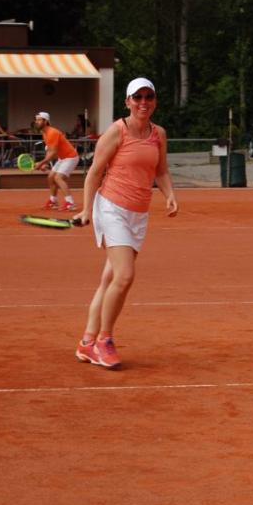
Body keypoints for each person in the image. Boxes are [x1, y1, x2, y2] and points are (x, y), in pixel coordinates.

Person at [73, 77, 178, 369]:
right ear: (127, 102)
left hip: (138, 215)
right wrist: (86, 210)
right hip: (111, 209)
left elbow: (161, 171)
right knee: (125, 276)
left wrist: (170, 195)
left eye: (149, 97)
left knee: (110, 280)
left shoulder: (159, 134)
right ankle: (103, 342)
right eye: (137, 97)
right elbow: (94, 173)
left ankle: (86, 342)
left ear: (154, 101)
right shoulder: (116, 131)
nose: (143, 102)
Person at [34, 112, 80, 211]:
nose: (36, 122)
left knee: (58, 178)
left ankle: (71, 203)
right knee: (51, 177)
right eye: (36, 119)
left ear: (45, 121)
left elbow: (54, 152)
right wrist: (45, 163)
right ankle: (53, 201)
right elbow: (50, 150)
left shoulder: (52, 132)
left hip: (71, 157)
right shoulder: (45, 133)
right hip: (62, 158)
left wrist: (41, 163)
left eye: (39, 120)